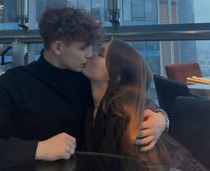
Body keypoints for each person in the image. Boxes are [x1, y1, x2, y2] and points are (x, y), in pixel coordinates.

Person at [0, 7, 166, 168]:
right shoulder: (15, 82)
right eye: (83, 49)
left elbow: (130, 98)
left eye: (92, 48)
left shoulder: (85, 79)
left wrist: (162, 119)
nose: (89, 55)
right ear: (58, 48)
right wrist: (38, 149)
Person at [82, 40, 207, 170]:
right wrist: (163, 118)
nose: (89, 55)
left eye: (100, 54)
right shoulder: (90, 102)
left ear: (115, 76)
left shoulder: (132, 121)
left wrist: (162, 119)